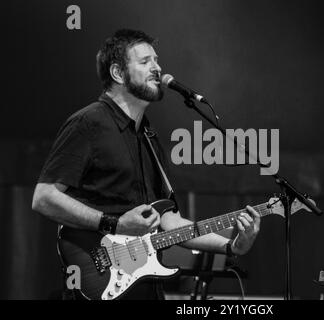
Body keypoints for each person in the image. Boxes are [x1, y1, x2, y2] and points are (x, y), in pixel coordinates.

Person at [31, 29, 260, 300]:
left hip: (147, 289)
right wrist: (114, 224)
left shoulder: (148, 136)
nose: (158, 68)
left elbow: (168, 222)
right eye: (145, 61)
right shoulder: (88, 123)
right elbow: (44, 197)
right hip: (101, 281)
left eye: (157, 60)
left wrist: (232, 246)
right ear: (117, 73)